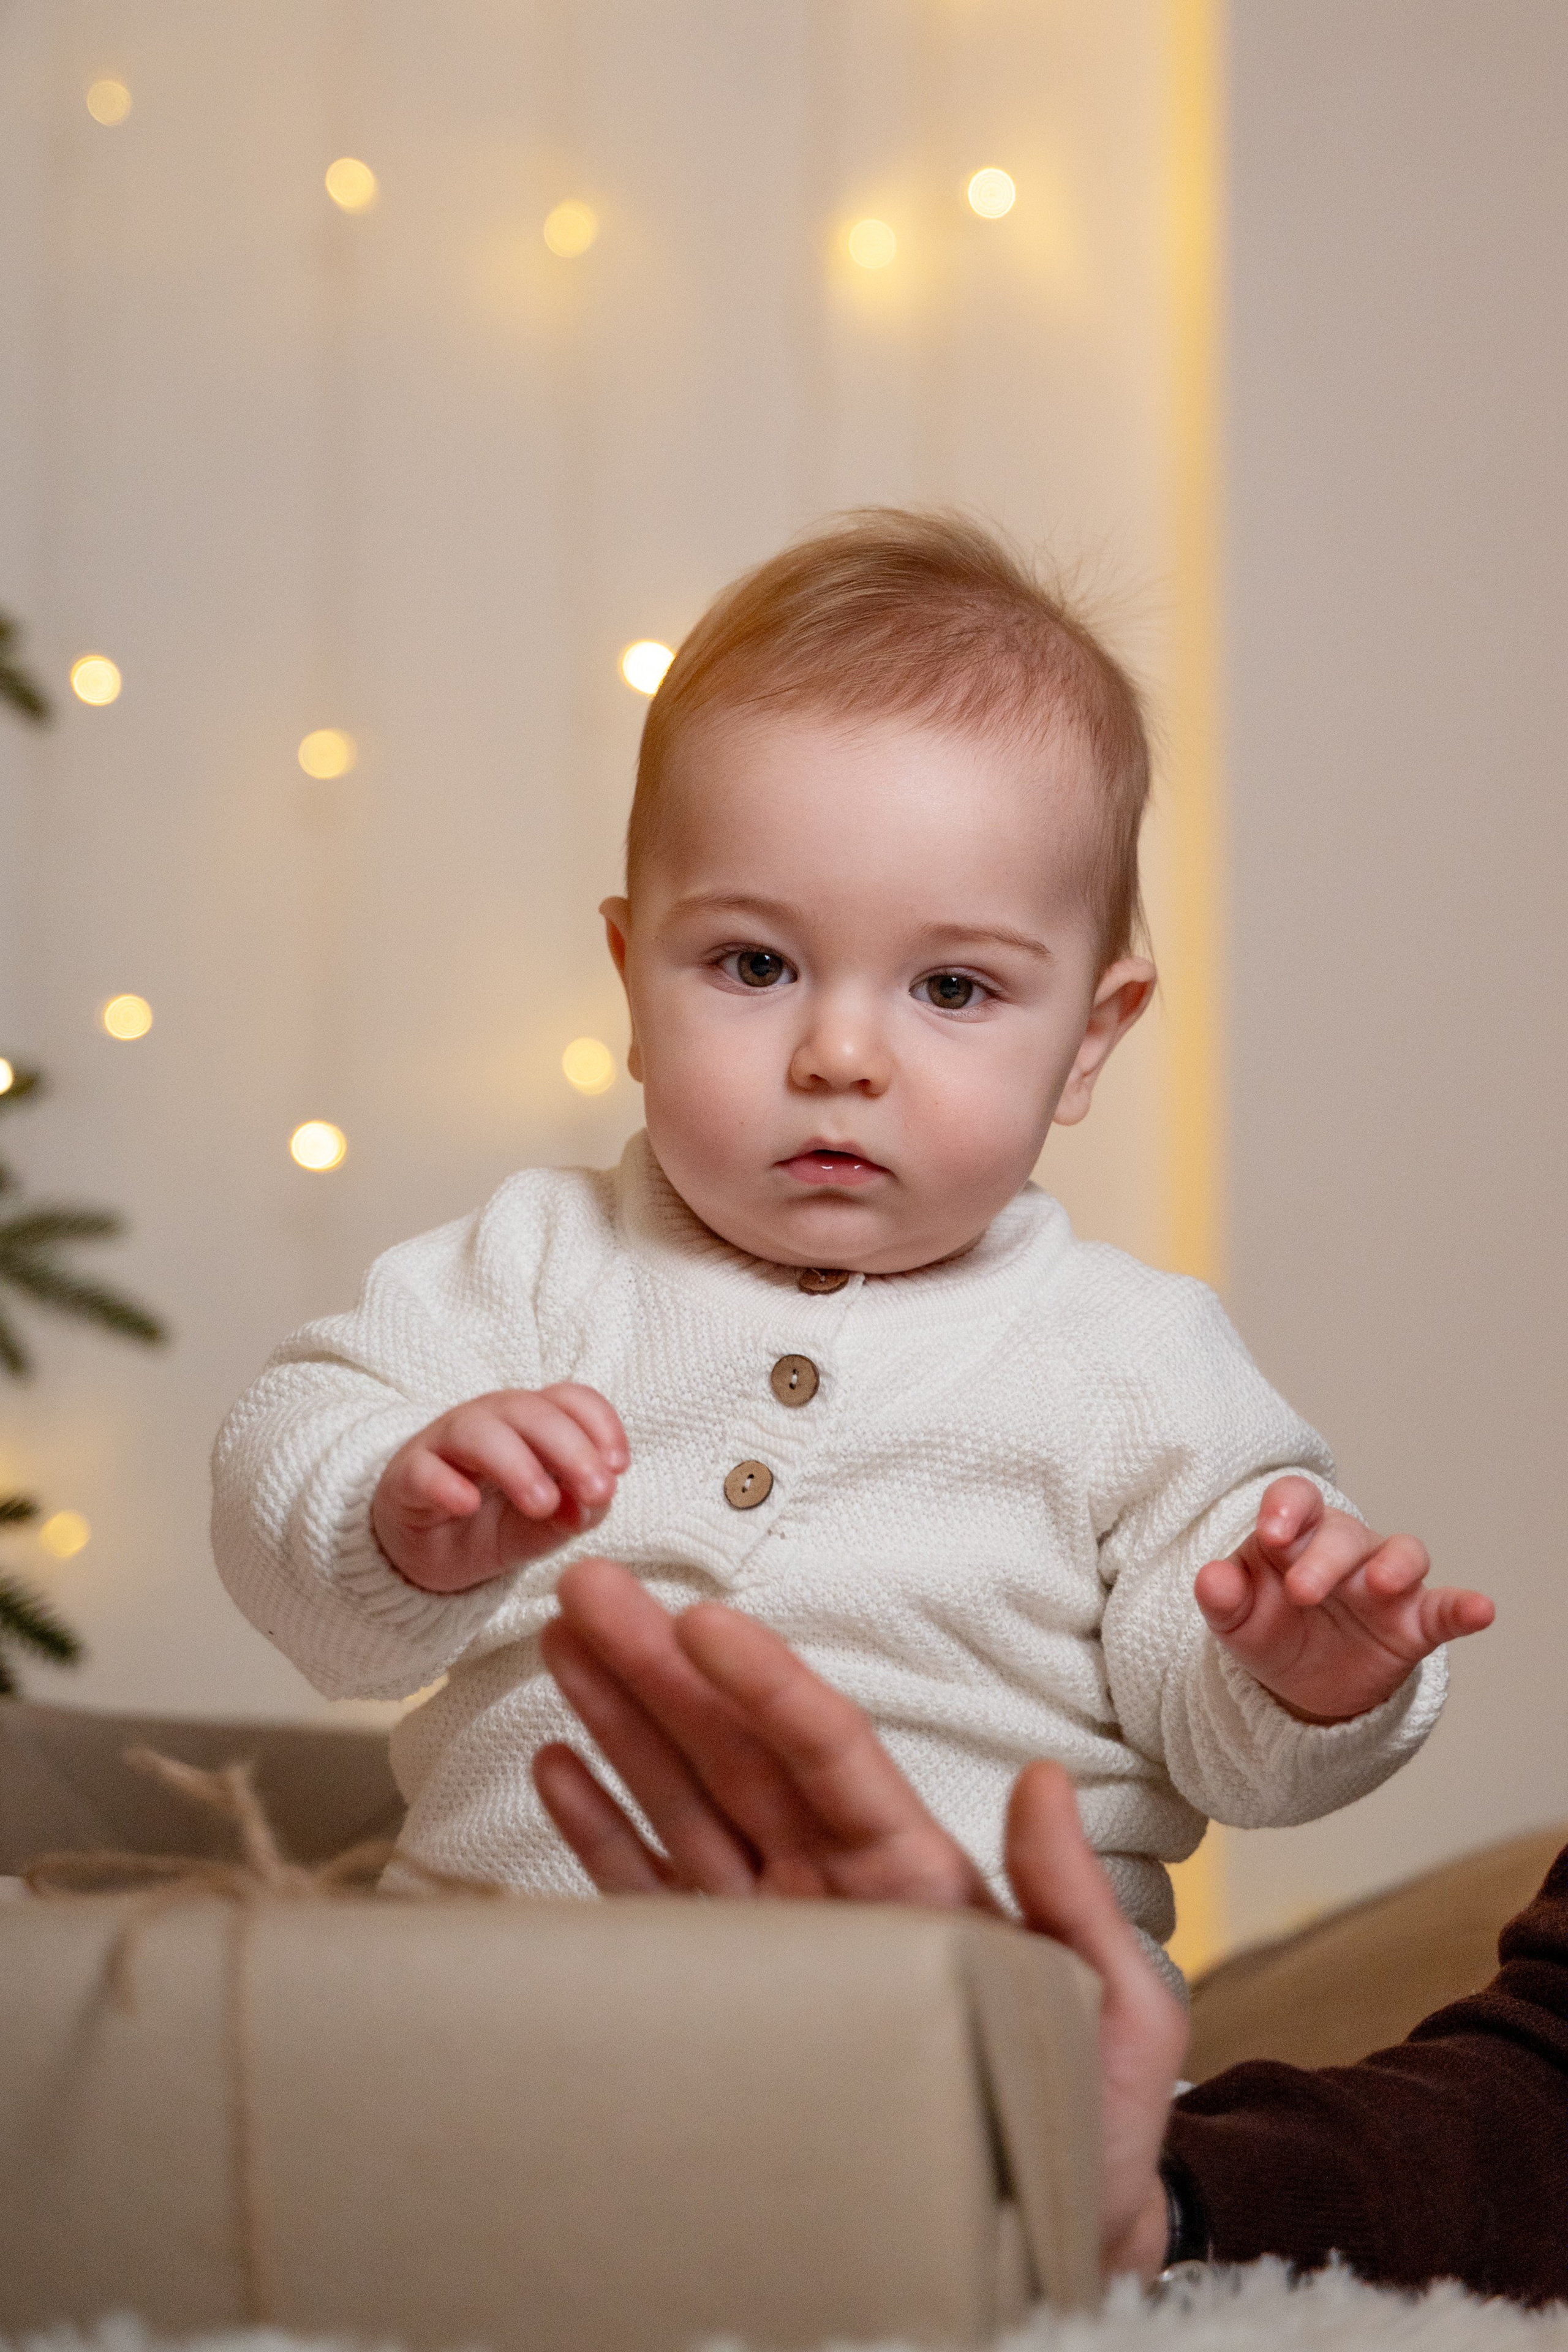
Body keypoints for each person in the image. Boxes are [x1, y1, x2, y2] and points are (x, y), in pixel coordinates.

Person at [211, 510, 1491, 1969]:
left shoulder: (1131, 1358)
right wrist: (391, 1511)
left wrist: (1298, 1676)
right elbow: (283, 1486)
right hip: (508, 2022)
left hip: (960, 2047)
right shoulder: (538, 1263)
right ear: (634, 984)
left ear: (1089, 1039)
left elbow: (1232, 1758)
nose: (836, 1054)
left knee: (1122, 2154)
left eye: (950, 988)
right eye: (753, 965)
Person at [532, 1555, 1568, 2306]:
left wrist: (1310, 1703)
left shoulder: (1149, 1359)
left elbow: (1251, 1735)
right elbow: (1542, 2099)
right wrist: (1137, 2203)